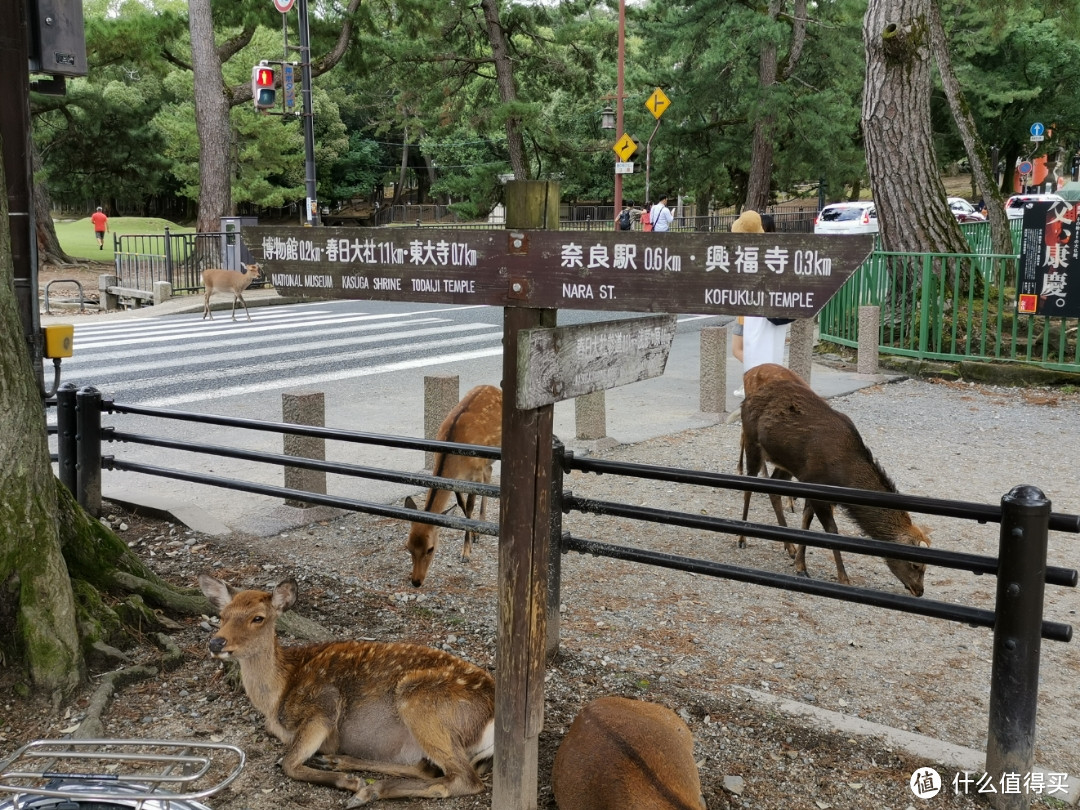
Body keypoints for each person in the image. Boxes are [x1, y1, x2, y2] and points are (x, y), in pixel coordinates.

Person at [729, 209, 789, 383]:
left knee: (751, 351)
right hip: (764, 313)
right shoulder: (774, 253)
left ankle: (759, 383)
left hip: (755, 314)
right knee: (762, 352)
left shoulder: (752, 257)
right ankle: (761, 382)